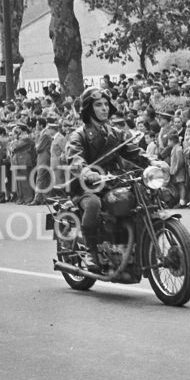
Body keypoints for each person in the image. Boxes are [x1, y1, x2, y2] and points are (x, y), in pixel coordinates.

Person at [64, 86, 151, 270]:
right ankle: (91, 251)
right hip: (87, 186)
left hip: (112, 182)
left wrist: (154, 162)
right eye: (98, 105)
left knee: (142, 195)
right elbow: (75, 158)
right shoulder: (78, 135)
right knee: (94, 204)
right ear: (89, 109)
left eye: (105, 104)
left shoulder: (117, 133)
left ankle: (132, 247)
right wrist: (87, 171)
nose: (104, 108)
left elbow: (135, 153)